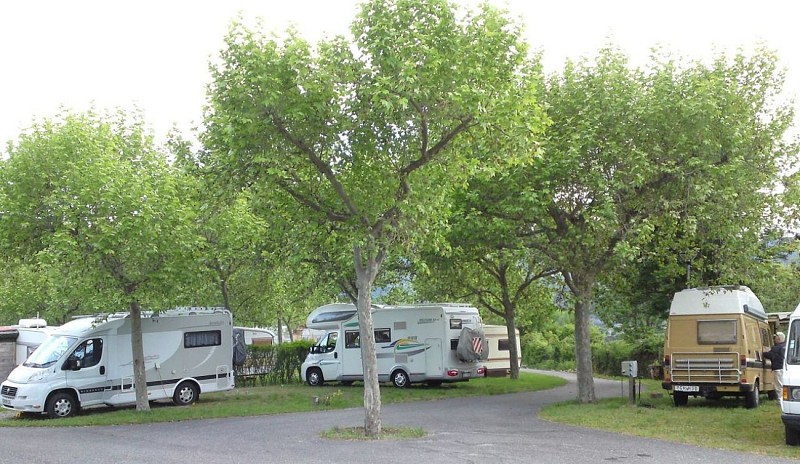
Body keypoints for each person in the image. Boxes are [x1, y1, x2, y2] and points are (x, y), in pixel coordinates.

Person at [764, 331, 786, 406]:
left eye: (775, 338)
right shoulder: (785, 346)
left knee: (779, 386)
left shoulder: (776, 348)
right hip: (784, 368)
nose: (774, 339)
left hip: (778, 369)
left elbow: (769, 355)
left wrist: (763, 353)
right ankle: (783, 400)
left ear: (779, 338)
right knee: (783, 384)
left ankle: (780, 401)